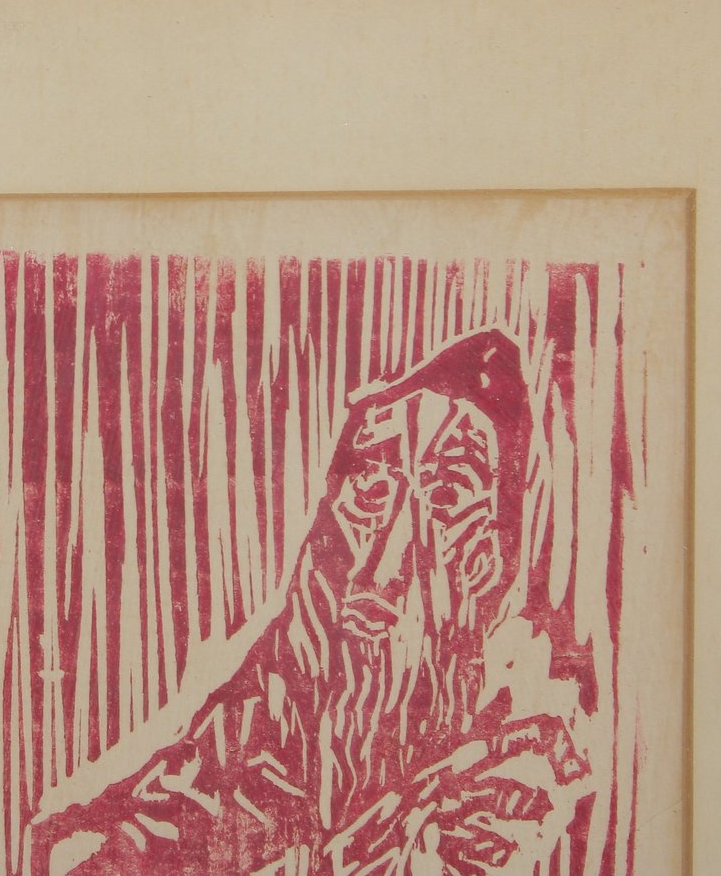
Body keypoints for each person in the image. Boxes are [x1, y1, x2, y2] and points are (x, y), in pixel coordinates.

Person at [32, 328, 590, 875]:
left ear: (491, 556)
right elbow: (123, 834)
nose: (378, 574)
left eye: (445, 499)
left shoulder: (520, 766)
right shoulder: (275, 701)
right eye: (370, 492)